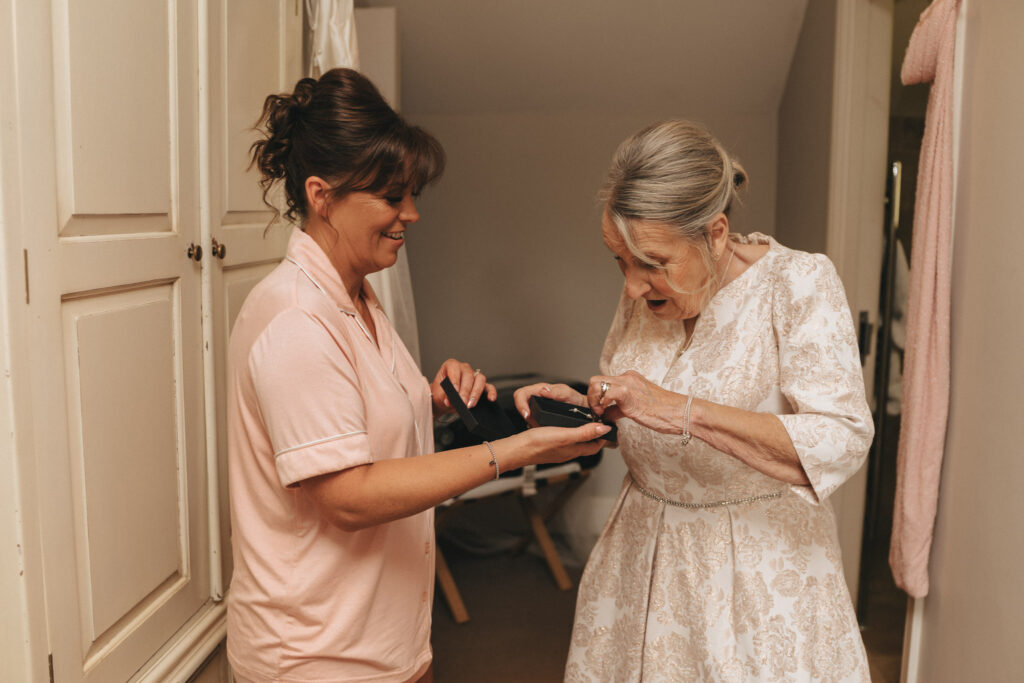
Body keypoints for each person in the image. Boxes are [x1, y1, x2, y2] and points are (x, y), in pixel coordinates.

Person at [226, 68, 611, 683]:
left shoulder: (360, 297)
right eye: (390, 196)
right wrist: (516, 450)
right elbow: (346, 497)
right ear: (321, 195)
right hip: (317, 656)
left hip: (387, 638)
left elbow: (346, 421)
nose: (411, 214)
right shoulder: (296, 320)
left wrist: (429, 401)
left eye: (412, 195)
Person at [515, 120, 874, 682]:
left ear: (715, 233)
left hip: (757, 570)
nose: (633, 286)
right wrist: (594, 411)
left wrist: (686, 411)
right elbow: (639, 405)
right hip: (642, 558)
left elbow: (842, 437)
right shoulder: (645, 290)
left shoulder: (798, 283)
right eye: (620, 262)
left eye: (652, 264)